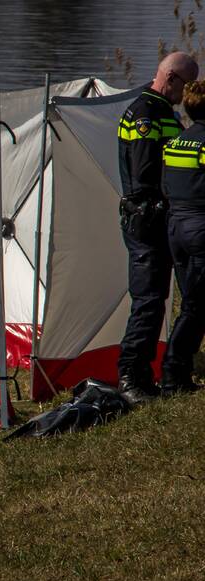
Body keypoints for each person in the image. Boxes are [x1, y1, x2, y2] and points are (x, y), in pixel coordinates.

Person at [116, 51, 199, 405]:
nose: (186, 94)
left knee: (157, 300)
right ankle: (131, 377)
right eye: (186, 84)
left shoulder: (159, 111)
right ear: (172, 79)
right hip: (145, 219)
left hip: (154, 219)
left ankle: (148, 376)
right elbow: (145, 173)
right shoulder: (147, 114)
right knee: (148, 302)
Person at [160, 79, 205, 394]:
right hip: (201, 229)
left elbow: (167, 184)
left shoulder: (177, 140)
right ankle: (174, 373)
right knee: (195, 306)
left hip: (176, 228)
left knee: (192, 302)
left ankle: (179, 370)